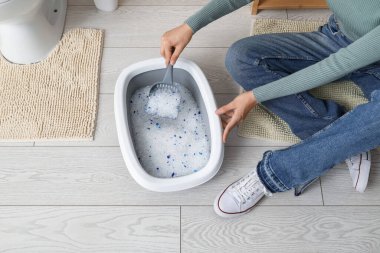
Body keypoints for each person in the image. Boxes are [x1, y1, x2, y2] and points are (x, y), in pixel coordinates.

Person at [160, 0, 380, 218]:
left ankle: (273, 174)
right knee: (241, 57)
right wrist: (190, 26)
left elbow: (337, 66)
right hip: (338, 38)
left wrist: (256, 96)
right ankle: (341, 138)